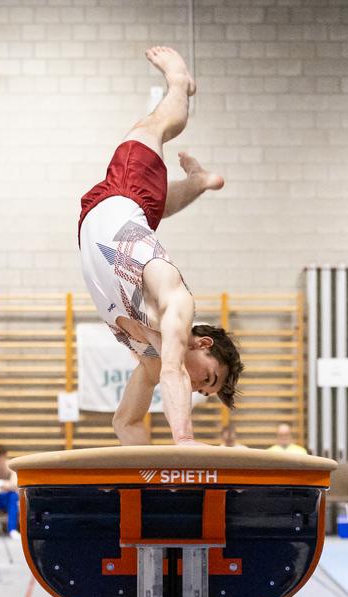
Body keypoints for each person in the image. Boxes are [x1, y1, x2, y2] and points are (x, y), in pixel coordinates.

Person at [79, 46, 243, 446]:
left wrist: (156, 483)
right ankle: (179, 83)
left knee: (152, 206)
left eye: (203, 391)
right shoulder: (177, 306)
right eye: (208, 377)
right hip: (122, 196)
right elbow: (174, 372)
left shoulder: (150, 357)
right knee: (158, 125)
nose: (198, 387)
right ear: (203, 344)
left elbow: (126, 423)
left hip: (116, 211)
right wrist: (183, 442)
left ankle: (199, 182)